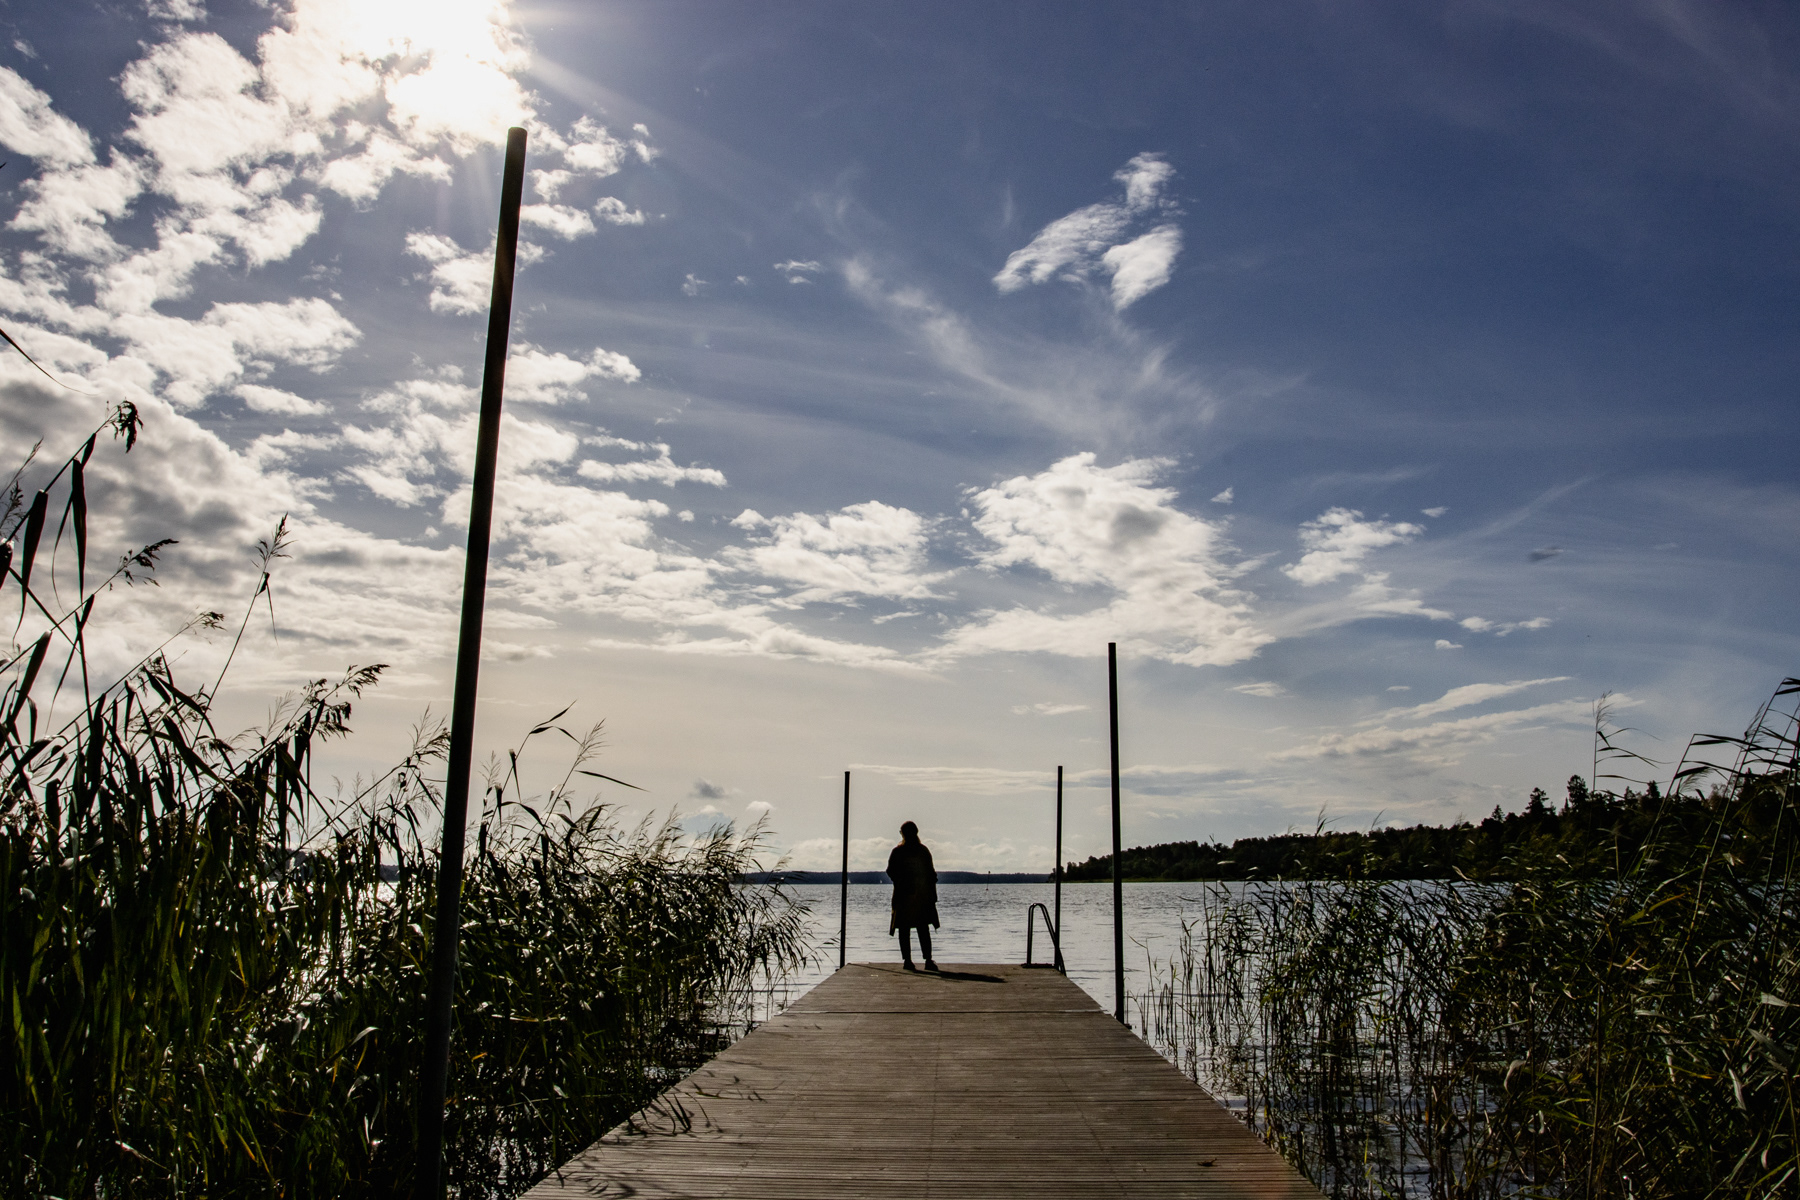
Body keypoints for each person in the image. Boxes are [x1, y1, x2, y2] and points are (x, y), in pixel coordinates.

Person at [886, 821, 939, 972]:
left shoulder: (899, 852)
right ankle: (926, 960)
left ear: (903, 833)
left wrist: (901, 881)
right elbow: (931, 874)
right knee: (921, 928)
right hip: (918, 895)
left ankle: (909, 961)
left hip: (907, 896)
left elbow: (891, 871)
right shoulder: (922, 851)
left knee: (906, 929)